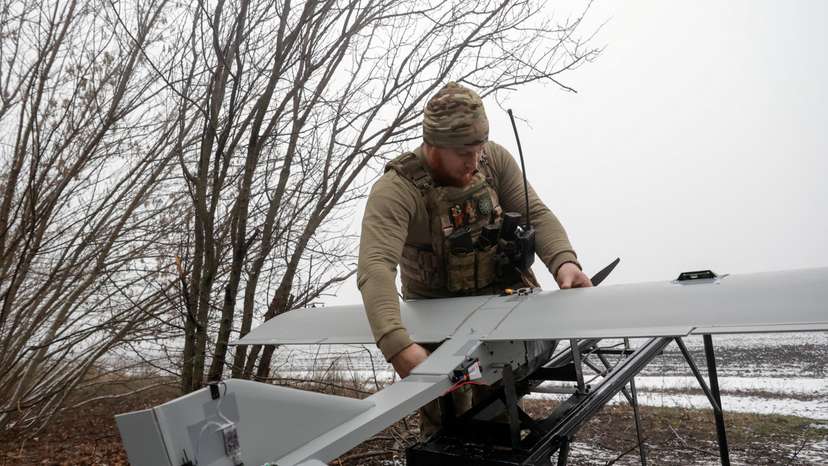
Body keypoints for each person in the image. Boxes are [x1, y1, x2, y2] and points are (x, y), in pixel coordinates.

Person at [356, 81, 592, 434]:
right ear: (433, 145)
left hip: (498, 310)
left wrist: (565, 262)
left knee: (497, 414)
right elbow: (375, 266)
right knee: (444, 425)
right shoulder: (397, 190)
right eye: (464, 153)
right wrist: (398, 345)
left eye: (479, 147)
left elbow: (536, 214)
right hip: (437, 323)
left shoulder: (493, 160)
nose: (475, 160)